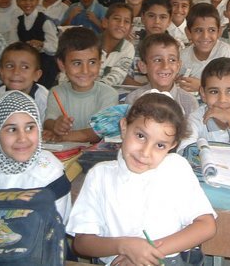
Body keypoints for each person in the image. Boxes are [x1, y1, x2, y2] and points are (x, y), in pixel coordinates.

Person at [66, 92, 217, 266]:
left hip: (168, 259)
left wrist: (143, 255)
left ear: (172, 146)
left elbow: (206, 225)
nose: (145, 152)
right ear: (124, 127)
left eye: (160, 145)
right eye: (140, 136)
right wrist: (126, 246)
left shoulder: (176, 168)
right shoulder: (100, 175)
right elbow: (82, 243)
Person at [0, 90, 71, 223]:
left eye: (30, 128)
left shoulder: (49, 172)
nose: (22, 138)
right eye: (12, 129)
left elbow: (56, 229)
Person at [44, 27, 118, 143]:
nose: (85, 70)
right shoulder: (56, 92)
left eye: (92, 62)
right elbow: (48, 121)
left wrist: (61, 137)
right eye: (77, 63)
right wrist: (55, 125)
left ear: (100, 63)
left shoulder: (109, 94)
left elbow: (97, 134)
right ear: (62, 65)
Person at [178, 57, 230, 157]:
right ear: (203, 94)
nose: (222, 99)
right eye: (214, 92)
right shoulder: (197, 118)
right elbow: (184, 152)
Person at [125, 33, 198, 116]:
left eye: (172, 60)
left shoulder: (189, 102)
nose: (165, 66)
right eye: (157, 60)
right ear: (143, 66)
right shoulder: (133, 99)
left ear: (178, 66)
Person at [9, 0, 58, 89]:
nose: (27, 3)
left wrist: (42, 44)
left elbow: (55, 47)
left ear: (37, 0)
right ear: (17, 1)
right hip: (26, 64)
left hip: (45, 65)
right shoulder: (17, 21)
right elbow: (13, 45)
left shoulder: (45, 21)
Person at [178, 3, 230, 93]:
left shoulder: (224, 53)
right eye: (198, 30)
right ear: (188, 32)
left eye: (211, 30)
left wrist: (201, 86)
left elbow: (227, 85)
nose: (205, 36)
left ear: (219, 32)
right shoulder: (183, 56)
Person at [0, 42, 48, 123]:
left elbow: (46, 129)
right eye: (10, 66)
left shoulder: (45, 99)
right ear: (0, 72)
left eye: (25, 67)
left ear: (36, 75)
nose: (16, 72)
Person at [99, 3, 135, 86]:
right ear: (105, 22)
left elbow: (116, 77)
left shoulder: (128, 48)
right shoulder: (90, 43)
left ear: (130, 28)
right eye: (116, 19)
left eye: (126, 21)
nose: (121, 24)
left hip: (103, 93)